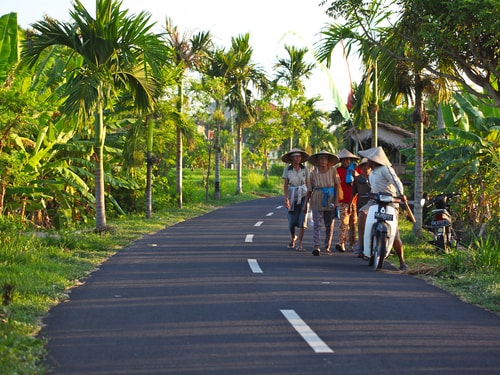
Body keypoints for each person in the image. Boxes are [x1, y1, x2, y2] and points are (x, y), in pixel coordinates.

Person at [357, 147, 409, 271]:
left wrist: (401, 193)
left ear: (374, 160)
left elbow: (397, 182)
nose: (367, 161)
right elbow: (373, 188)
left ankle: (402, 261)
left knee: (394, 233)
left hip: (390, 203)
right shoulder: (372, 173)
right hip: (375, 202)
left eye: (369, 159)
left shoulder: (386, 170)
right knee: (362, 214)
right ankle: (362, 245)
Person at [304, 150, 341, 256]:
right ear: (318, 161)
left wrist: (336, 201)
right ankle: (317, 246)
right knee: (317, 224)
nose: (323, 161)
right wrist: (305, 204)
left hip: (330, 199)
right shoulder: (313, 173)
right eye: (321, 159)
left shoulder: (333, 170)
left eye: (325, 159)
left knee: (330, 225)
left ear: (328, 161)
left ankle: (327, 247)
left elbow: (337, 186)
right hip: (317, 200)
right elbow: (309, 189)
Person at [282, 148, 310, 251]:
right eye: (295, 157)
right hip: (292, 195)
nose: (297, 159)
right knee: (291, 221)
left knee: (302, 219)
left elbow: (307, 183)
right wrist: (286, 198)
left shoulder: (305, 169)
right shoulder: (287, 170)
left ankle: (300, 244)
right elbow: (285, 185)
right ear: (291, 158)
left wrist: (308, 198)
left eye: (299, 156)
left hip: (303, 195)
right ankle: (293, 237)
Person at [335, 149, 361, 253]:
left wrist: (356, 176)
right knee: (343, 222)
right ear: (341, 161)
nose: (346, 161)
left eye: (347, 159)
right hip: (343, 201)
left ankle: (352, 244)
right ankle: (341, 243)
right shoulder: (337, 171)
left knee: (353, 223)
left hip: (354, 200)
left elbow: (363, 182)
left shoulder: (356, 170)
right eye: (343, 160)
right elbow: (335, 185)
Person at [350, 157, 372, 257]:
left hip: (373, 203)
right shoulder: (358, 179)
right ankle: (361, 246)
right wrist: (350, 205)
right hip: (361, 204)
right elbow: (353, 193)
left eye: (368, 166)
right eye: (364, 166)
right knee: (361, 226)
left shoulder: (374, 178)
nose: (366, 168)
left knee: (371, 226)